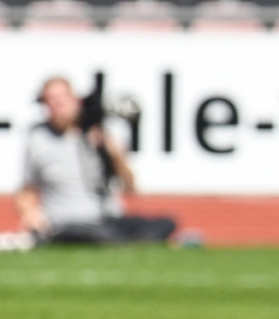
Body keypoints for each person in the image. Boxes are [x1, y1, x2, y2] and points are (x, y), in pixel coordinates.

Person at [14, 77, 177, 246]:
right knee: (98, 235)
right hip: (67, 224)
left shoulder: (99, 134)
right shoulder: (39, 139)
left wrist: (113, 153)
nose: (57, 104)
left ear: (75, 100)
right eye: (51, 100)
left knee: (166, 223)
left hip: (107, 219)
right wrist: (31, 214)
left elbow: (131, 187)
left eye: (61, 98)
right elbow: (26, 191)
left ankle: (128, 240)